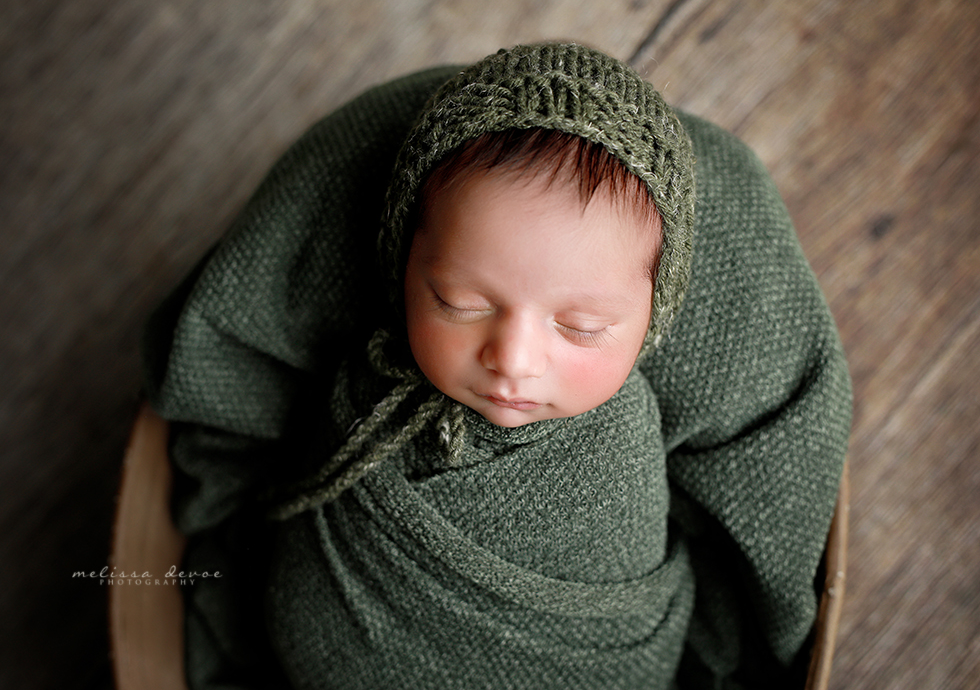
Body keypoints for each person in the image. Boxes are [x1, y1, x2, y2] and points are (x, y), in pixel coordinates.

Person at [144, 42, 852, 689]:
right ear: (402, 268)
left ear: (652, 319)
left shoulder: (630, 441)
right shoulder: (367, 387)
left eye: (581, 328)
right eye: (458, 301)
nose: (512, 361)